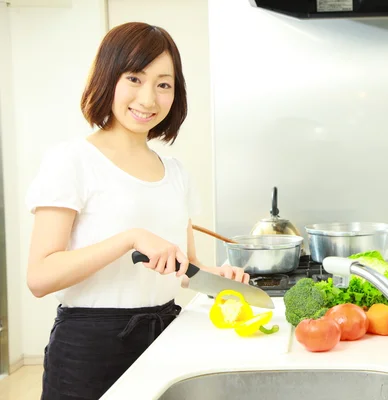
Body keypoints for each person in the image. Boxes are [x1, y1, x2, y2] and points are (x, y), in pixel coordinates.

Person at [25, 22, 249, 400]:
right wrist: (129, 238)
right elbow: (39, 276)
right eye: (134, 78)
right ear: (108, 77)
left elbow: (185, 268)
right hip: (88, 348)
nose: (148, 99)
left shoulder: (175, 172)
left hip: (166, 334)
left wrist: (218, 276)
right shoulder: (72, 160)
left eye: (164, 84)